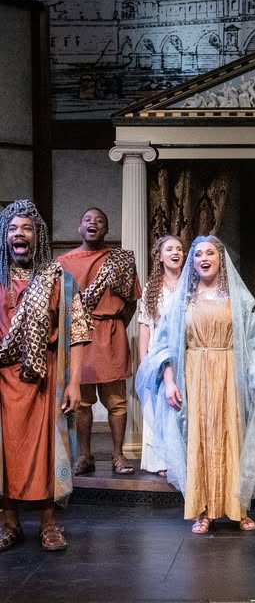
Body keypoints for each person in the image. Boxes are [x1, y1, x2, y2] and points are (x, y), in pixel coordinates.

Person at [136, 236, 255, 533]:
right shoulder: (182, 300)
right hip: (193, 376)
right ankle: (202, 510)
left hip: (230, 374)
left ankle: (237, 508)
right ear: (192, 262)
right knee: (198, 440)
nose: (204, 258)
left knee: (233, 437)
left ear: (220, 259)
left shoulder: (238, 299)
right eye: (198, 254)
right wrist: (169, 381)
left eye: (210, 253)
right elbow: (163, 344)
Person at [0, 200, 90, 552]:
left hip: (46, 379)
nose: (19, 234)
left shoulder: (60, 281)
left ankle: (49, 523)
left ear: (37, 236)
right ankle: (9, 522)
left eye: (26, 228)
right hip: (3, 380)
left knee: (47, 452)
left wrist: (74, 382)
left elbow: (78, 333)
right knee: (7, 451)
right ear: (4, 237)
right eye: (12, 229)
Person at [57, 207, 141, 475]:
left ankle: (118, 455)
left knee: (116, 401)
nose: (93, 223)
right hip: (77, 338)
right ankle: (84, 456)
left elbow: (131, 301)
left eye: (100, 221)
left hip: (111, 334)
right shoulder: (63, 262)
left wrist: (113, 325)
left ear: (107, 229)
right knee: (81, 402)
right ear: (79, 228)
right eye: (87, 220)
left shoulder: (120, 259)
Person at [137, 235, 184, 475]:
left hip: (184, 353)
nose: (175, 252)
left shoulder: (190, 284)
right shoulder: (152, 289)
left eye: (179, 249)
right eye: (170, 249)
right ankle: (162, 461)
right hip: (158, 355)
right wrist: (144, 361)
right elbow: (145, 326)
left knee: (180, 405)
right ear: (160, 256)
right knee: (160, 407)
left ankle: (182, 459)